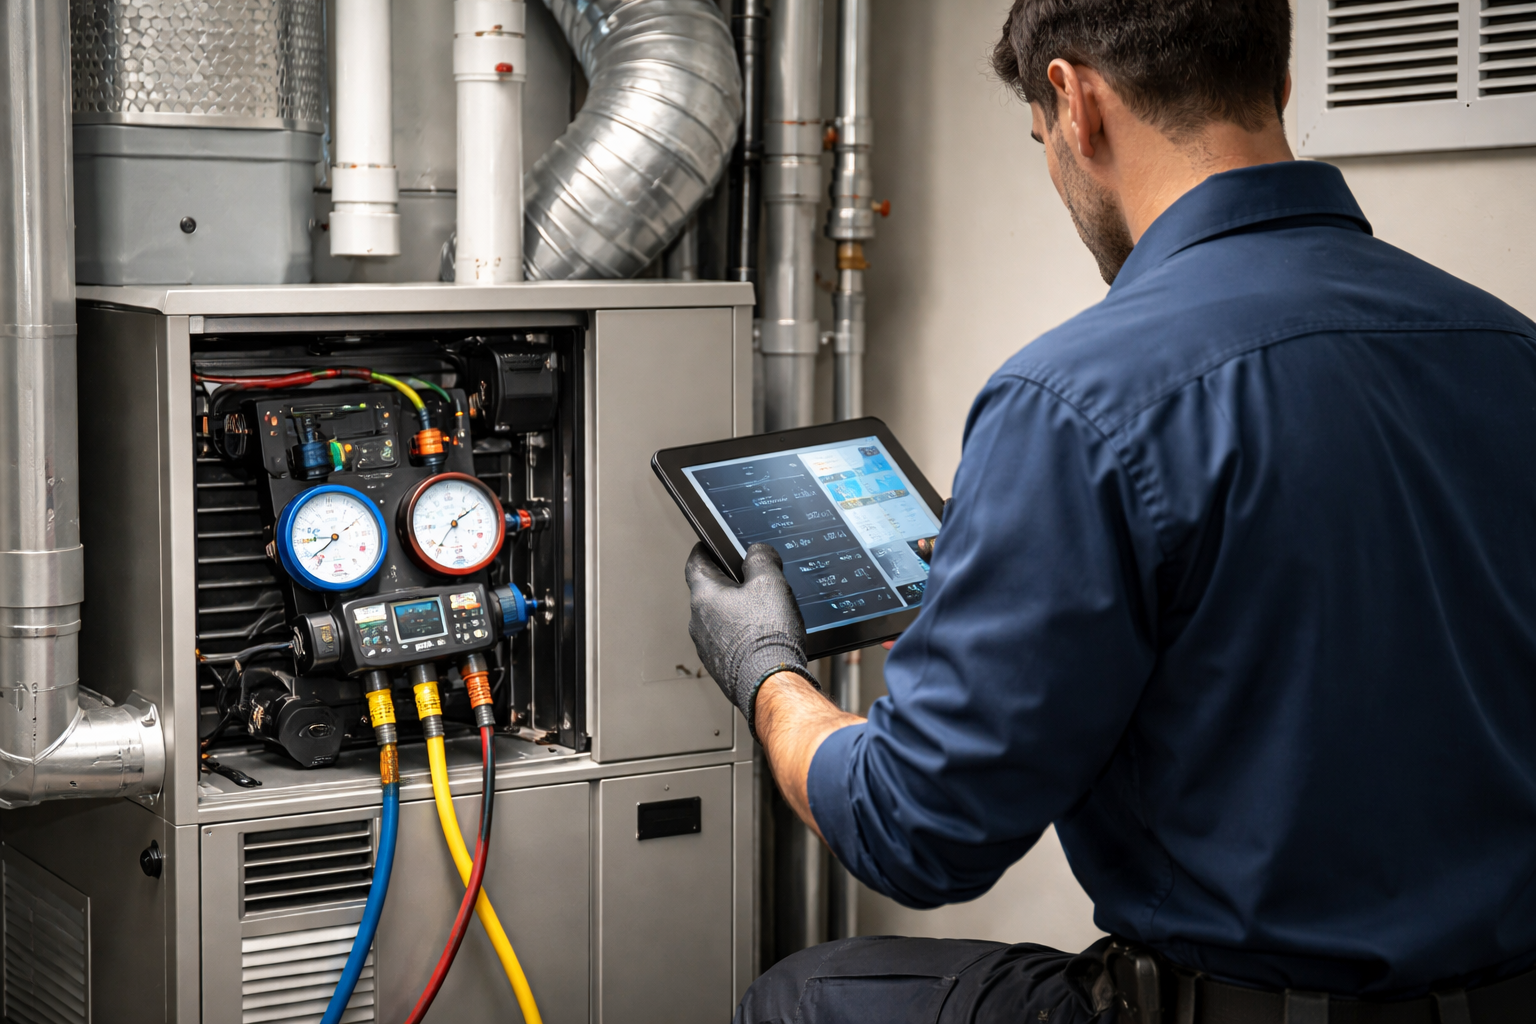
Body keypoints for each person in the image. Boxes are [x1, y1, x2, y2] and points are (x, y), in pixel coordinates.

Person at [684, 0, 1536, 1021]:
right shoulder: (1504, 346)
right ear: (1281, 86)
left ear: (1075, 102)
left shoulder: (1077, 399)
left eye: (1041, 140)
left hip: (1242, 1006)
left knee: (803, 992)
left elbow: (914, 831)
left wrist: (766, 671)